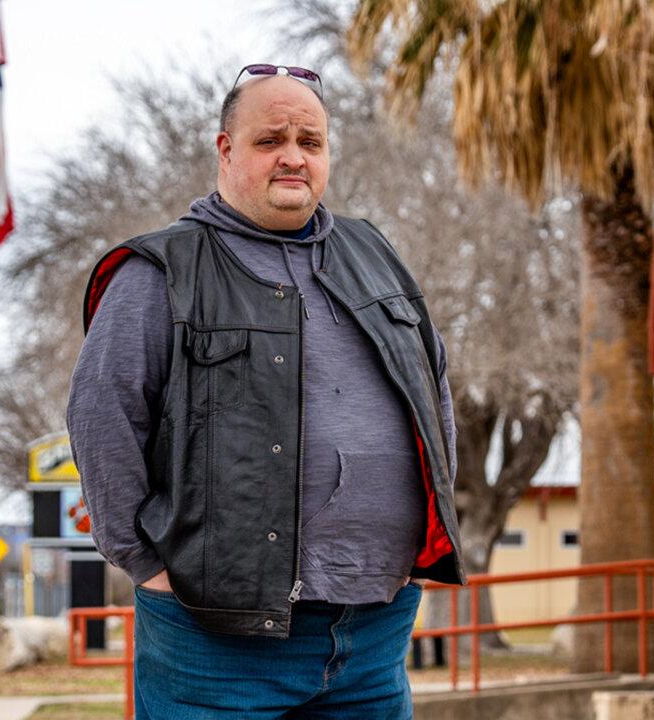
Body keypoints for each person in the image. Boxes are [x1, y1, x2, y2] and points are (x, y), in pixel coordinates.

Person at [67, 63, 465, 719]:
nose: (293, 157)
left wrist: (424, 542)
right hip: (214, 641)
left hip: (375, 629)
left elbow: (432, 392)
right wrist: (144, 565)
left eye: (311, 142)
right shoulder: (159, 271)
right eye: (270, 140)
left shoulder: (376, 255)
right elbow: (102, 417)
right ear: (226, 150)